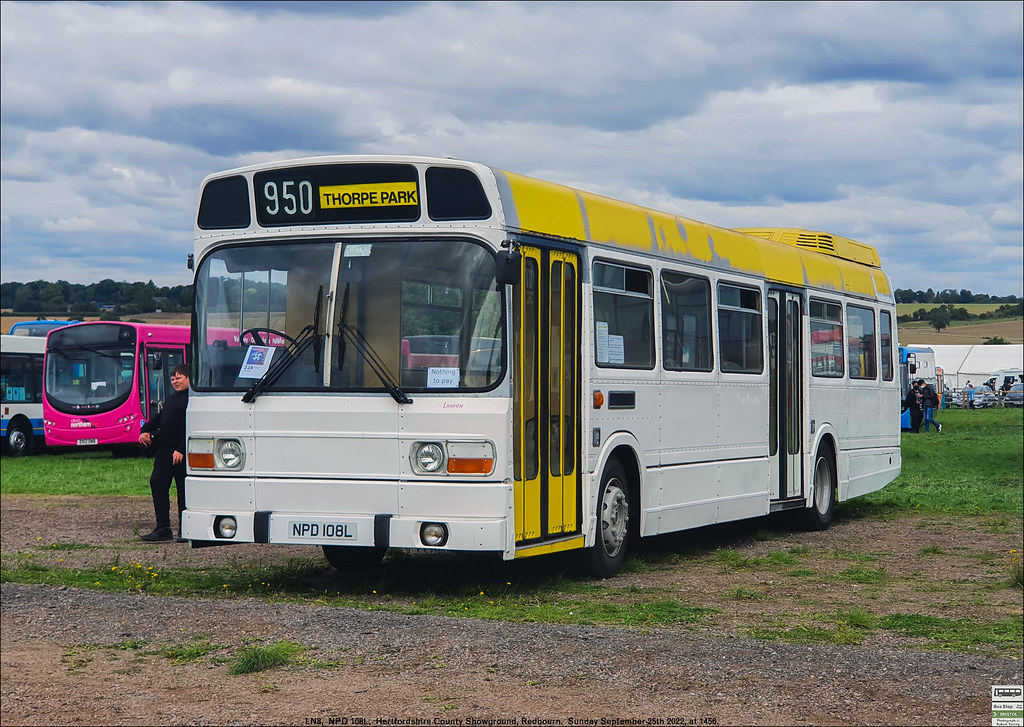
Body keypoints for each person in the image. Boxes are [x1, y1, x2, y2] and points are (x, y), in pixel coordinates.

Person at [139, 363, 190, 542]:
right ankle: (163, 529)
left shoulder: (192, 399)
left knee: (184, 491)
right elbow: (160, 418)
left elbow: (194, 426)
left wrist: (181, 449)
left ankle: (187, 529)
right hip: (164, 450)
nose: (175, 381)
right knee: (157, 483)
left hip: (182, 453)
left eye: (179, 378)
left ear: (189, 379)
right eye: (173, 378)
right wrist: (144, 430)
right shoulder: (172, 398)